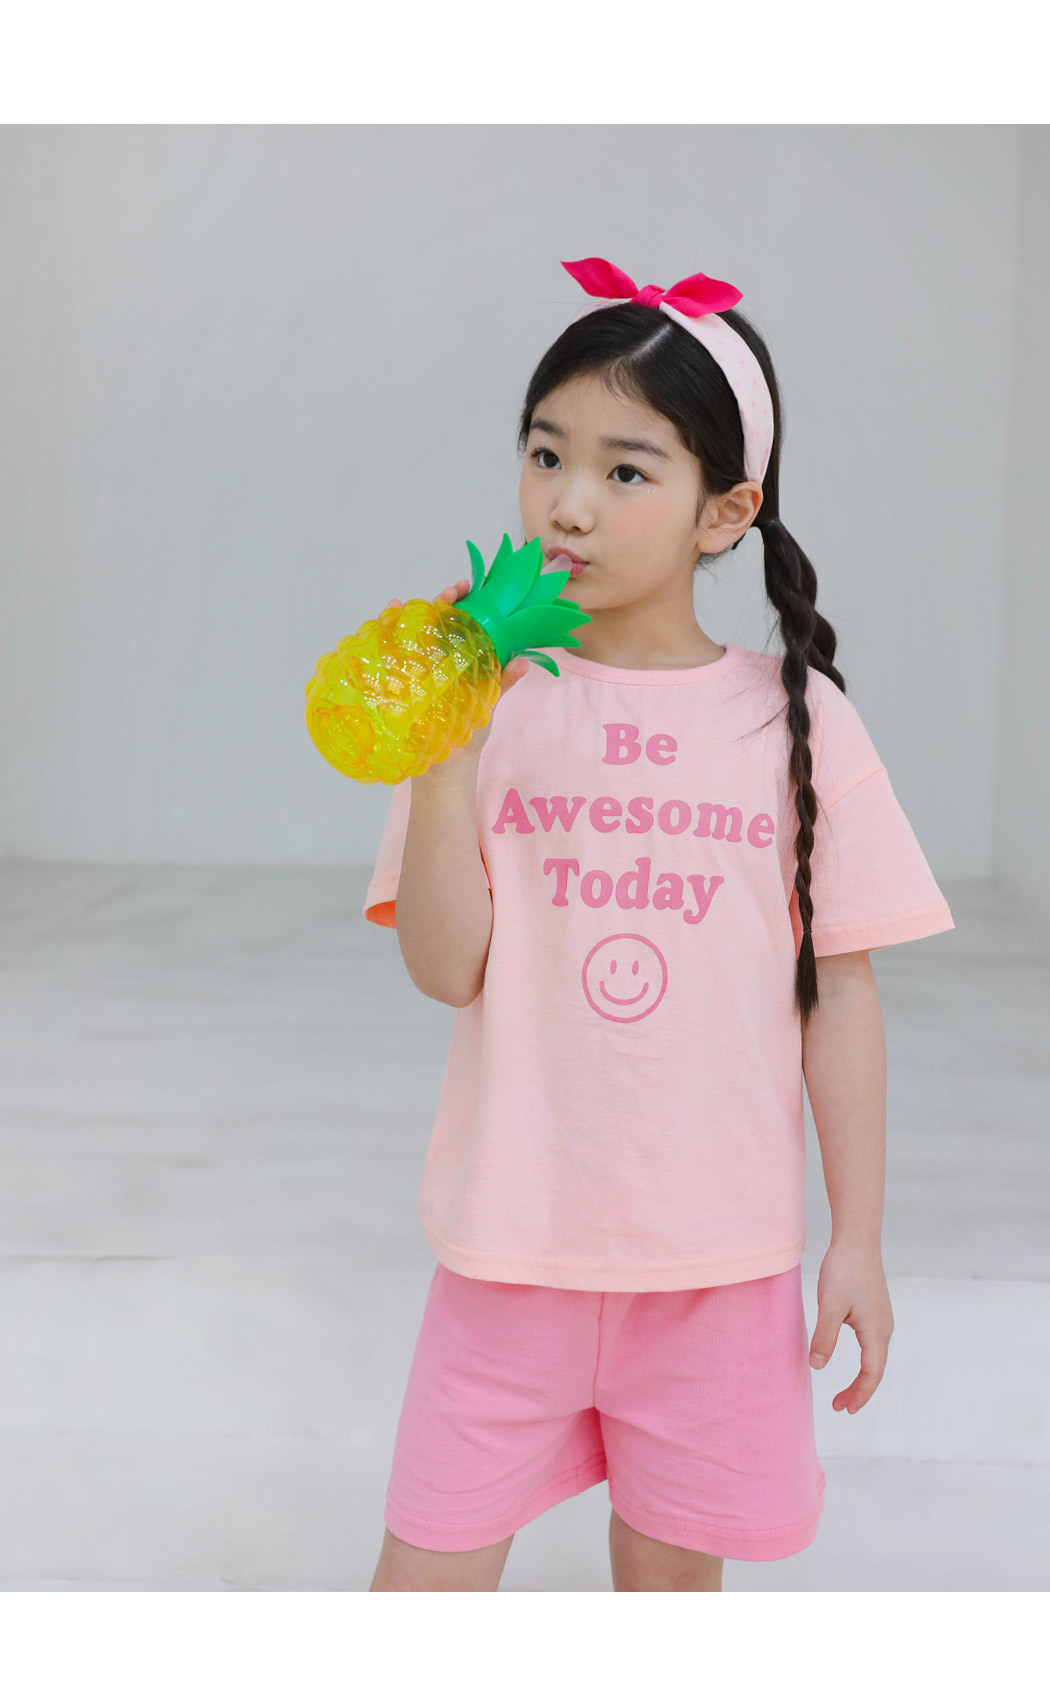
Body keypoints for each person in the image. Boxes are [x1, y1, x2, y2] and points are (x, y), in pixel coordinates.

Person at [362, 256, 955, 1592]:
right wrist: (446, 760)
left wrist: (856, 1240)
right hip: (506, 1258)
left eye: (626, 470)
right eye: (545, 454)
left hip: (715, 1274)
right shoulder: (484, 709)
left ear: (723, 512)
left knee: (671, 1605)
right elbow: (445, 969)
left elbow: (841, 999)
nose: (567, 504)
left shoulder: (792, 720)